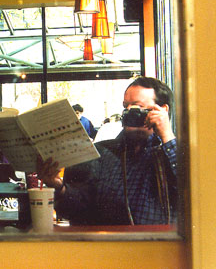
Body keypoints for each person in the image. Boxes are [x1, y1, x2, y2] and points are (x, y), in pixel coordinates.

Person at [38, 76, 177, 225]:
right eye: (126, 107)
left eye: (136, 107)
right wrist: (59, 187)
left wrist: (166, 135)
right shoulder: (104, 152)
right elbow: (81, 209)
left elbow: (192, 188)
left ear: (162, 110)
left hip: (158, 245)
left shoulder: (171, 153)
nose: (128, 112)